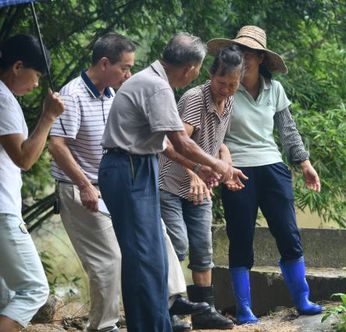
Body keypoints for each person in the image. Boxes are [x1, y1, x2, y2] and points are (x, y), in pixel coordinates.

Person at [98, 32, 244, 332]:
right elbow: (180, 139)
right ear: (192, 68)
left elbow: (164, 143)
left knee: (151, 256)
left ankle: (153, 323)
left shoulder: (152, 81)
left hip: (138, 166)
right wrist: (218, 165)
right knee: (144, 256)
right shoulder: (157, 86)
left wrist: (196, 168)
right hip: (127, 168)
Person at [207, 26, 323, 325]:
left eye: (248, 54)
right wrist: (222, 161)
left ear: (260, 58)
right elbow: (211, 129)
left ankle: (302, 299)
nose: (242, 59)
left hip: (272, 166)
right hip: (237, 170)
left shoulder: (275, 89)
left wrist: (305, 164)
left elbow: (288, 131)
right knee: (240, 237)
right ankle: (244, 308)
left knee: (288, 233)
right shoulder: (225, 88)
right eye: (239, 53)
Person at [48, 32, 134, 332]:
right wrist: (85, 185)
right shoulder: (72, 94)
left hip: (111, 187)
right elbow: (56, 144)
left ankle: (155, 310)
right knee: (108, 258)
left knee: (140, 245)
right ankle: (103, 326)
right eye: (125, 67)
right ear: (104, 63)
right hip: (79, 189)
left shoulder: (112, 95)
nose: (128, 73)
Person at [159, 45, 245, 330]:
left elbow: (219, 141)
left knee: (202, 250)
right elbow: (175, 144)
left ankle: (204, 312)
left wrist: (227, 165)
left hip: (201, 185)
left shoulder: (230, 100)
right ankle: (165, 310)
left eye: (233, 85)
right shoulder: (195, 98)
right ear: (210, 75)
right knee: (176, 246)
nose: (226, 90)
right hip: (171, 183)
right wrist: (194, 172)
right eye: (222, 83)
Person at [0, 34, 64, 332]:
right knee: (33, 290)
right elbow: (24, 159)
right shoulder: (3, 99)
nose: (37, 83)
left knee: (6, 297)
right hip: (2, 211)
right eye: (35, 75)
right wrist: (48, 118)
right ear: (17, 66)